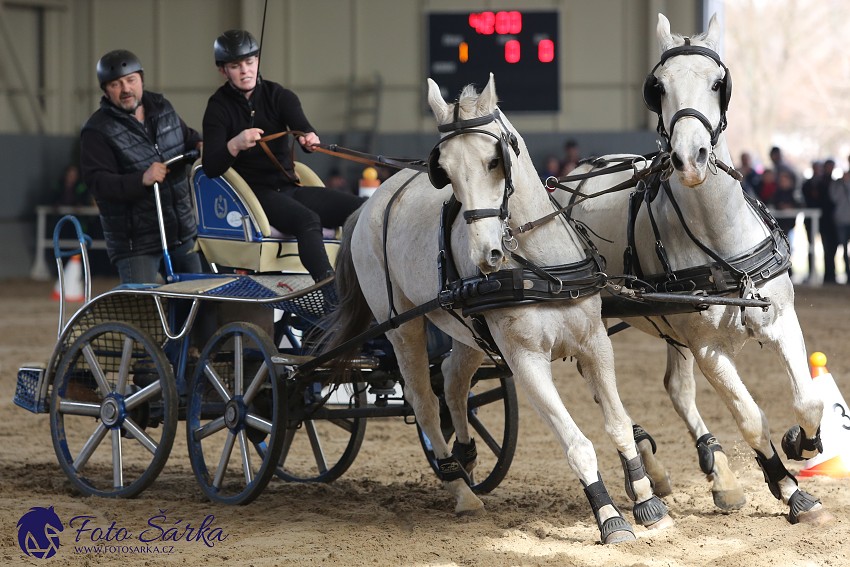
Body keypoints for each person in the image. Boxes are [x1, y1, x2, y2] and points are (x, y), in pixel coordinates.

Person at [202, 29, 365, 283]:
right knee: (307, 220)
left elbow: (301, 125)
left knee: (361, 209)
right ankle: (328, 290)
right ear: (223, 70)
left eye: (250, 62)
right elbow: (211, 166)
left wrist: (308, 138)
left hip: (290, 187)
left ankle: (364, 278)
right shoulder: (218, 107)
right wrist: (235, 143)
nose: (245, 70)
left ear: (257, 61)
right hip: (255, 194)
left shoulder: (279, 95)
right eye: (235, 65)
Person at [79, 49, 203, 284]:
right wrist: (141, 180)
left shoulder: (163, 108)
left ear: (141, 80)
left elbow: (186, 137)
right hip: (136, 243)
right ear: (105, 90)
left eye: (130, 80)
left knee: (199, 305)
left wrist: (199, 144)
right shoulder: (97, 130)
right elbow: (98, 183)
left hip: (180, 233)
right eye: (116, 84)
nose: (125, 89)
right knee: (141, 308)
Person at [829, 157, 850, 283]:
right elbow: (834, 198)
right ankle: (847, 274)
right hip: (841, 220)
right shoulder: (837, 183)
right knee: (843, 248)